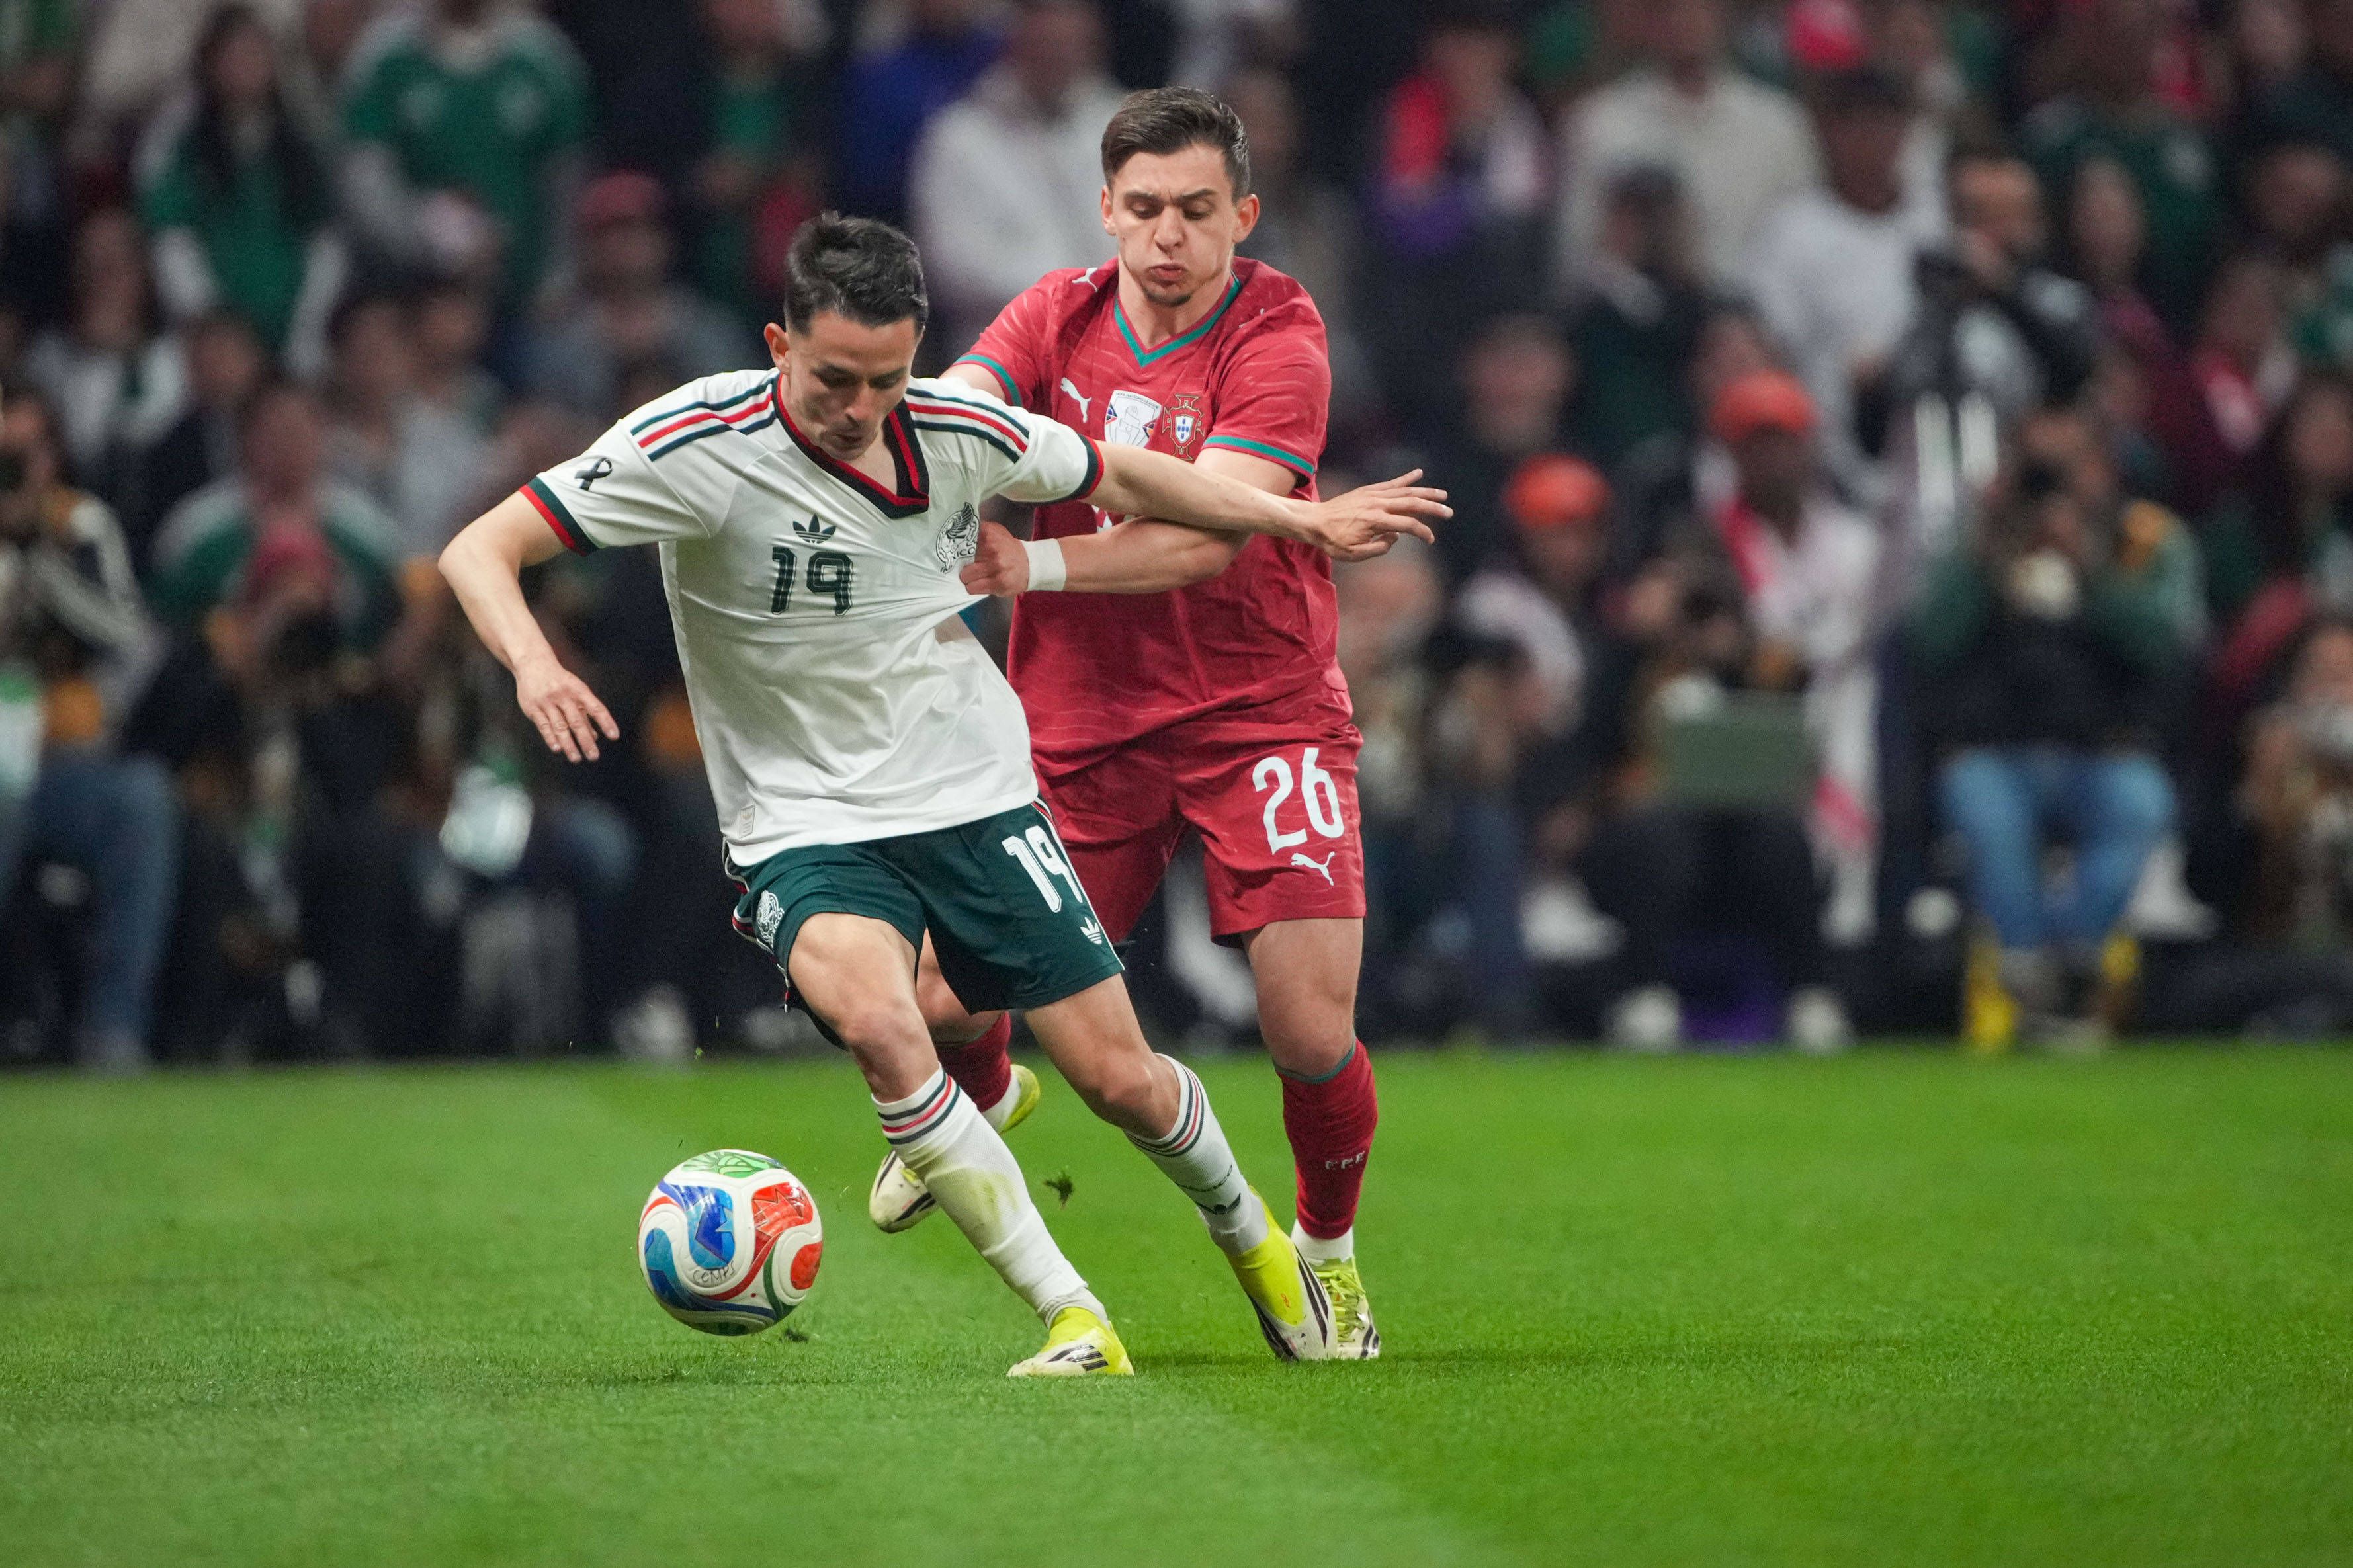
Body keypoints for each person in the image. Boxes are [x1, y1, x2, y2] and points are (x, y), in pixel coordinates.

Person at [435, 213, 1442, 1374]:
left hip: (972, 788)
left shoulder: (960, 427)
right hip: (801, 820)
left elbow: (1120, 472)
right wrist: (536, 663)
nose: (861, 407)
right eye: (833, 380)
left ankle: (1251, 1236)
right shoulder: (692, 440)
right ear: (777, 343)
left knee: (1117, 1078)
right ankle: (1074, 1317)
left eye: (886, 378)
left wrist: (1299, 515)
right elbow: (481, 548)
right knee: (881, 1022)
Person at [924, 87, 1396, 1358]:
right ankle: (975, 1107)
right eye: (1143, 210)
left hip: (1262, 707)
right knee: (941, 1003)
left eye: (1197, 210)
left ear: (1242, 213)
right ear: (1105, 211)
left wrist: (1043, 567)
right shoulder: (1052, 312)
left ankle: (1328, 1251)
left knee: (1307, 1029)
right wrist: (952, 445)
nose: (1168, 236)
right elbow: (956, 415)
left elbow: (1210, 530)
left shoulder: (1283, 329)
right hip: (1080, 719)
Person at [1910, 404, 2203, 1044]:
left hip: (2104, 750)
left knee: (2142, 802)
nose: (2052, 486)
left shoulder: (2138, 540)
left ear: (2100, 468)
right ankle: (2025, 968)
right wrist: (1988, 551)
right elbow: (1928, 641)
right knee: (1986, 810)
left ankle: (2071, 958)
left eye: (2067, 467)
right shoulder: (1981, 539)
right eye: (2038, 469)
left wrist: (2091, 568)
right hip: (1996, 752)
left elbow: (2161, 646)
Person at [0, 385, 175, 1073]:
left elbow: (128, 635)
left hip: (59, 762)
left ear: (53, 456)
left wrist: (36, 553)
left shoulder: (79, 526)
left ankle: (114, 1027)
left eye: (24, 454)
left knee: (141, 800)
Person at [339, 0, 590, 309]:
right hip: (415, 300)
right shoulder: (384, 55)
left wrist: (557, 279)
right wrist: (428, 243)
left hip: (524, 296)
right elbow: (365, 178)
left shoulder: (543, 56)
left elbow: (567, 181)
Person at [137, 4, 345, 372]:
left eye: (255, 54)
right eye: (232, 55)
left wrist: (306, 327)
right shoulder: (182, 139)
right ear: (209, 63)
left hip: (294, 327)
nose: (244, 66)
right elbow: (170, 235)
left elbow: (327, 241)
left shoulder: (300, 141)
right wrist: (209, 320)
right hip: (209, 331)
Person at [908, 0, 1125, 352]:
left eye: (1068, 42)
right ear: (1016, 38)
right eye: (1046, 41)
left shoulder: (1127, 125)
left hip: (1118, 355)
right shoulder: (959, 137)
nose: (1057, 56)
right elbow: (952, 267)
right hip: (1002, 362)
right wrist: (1078, 292)